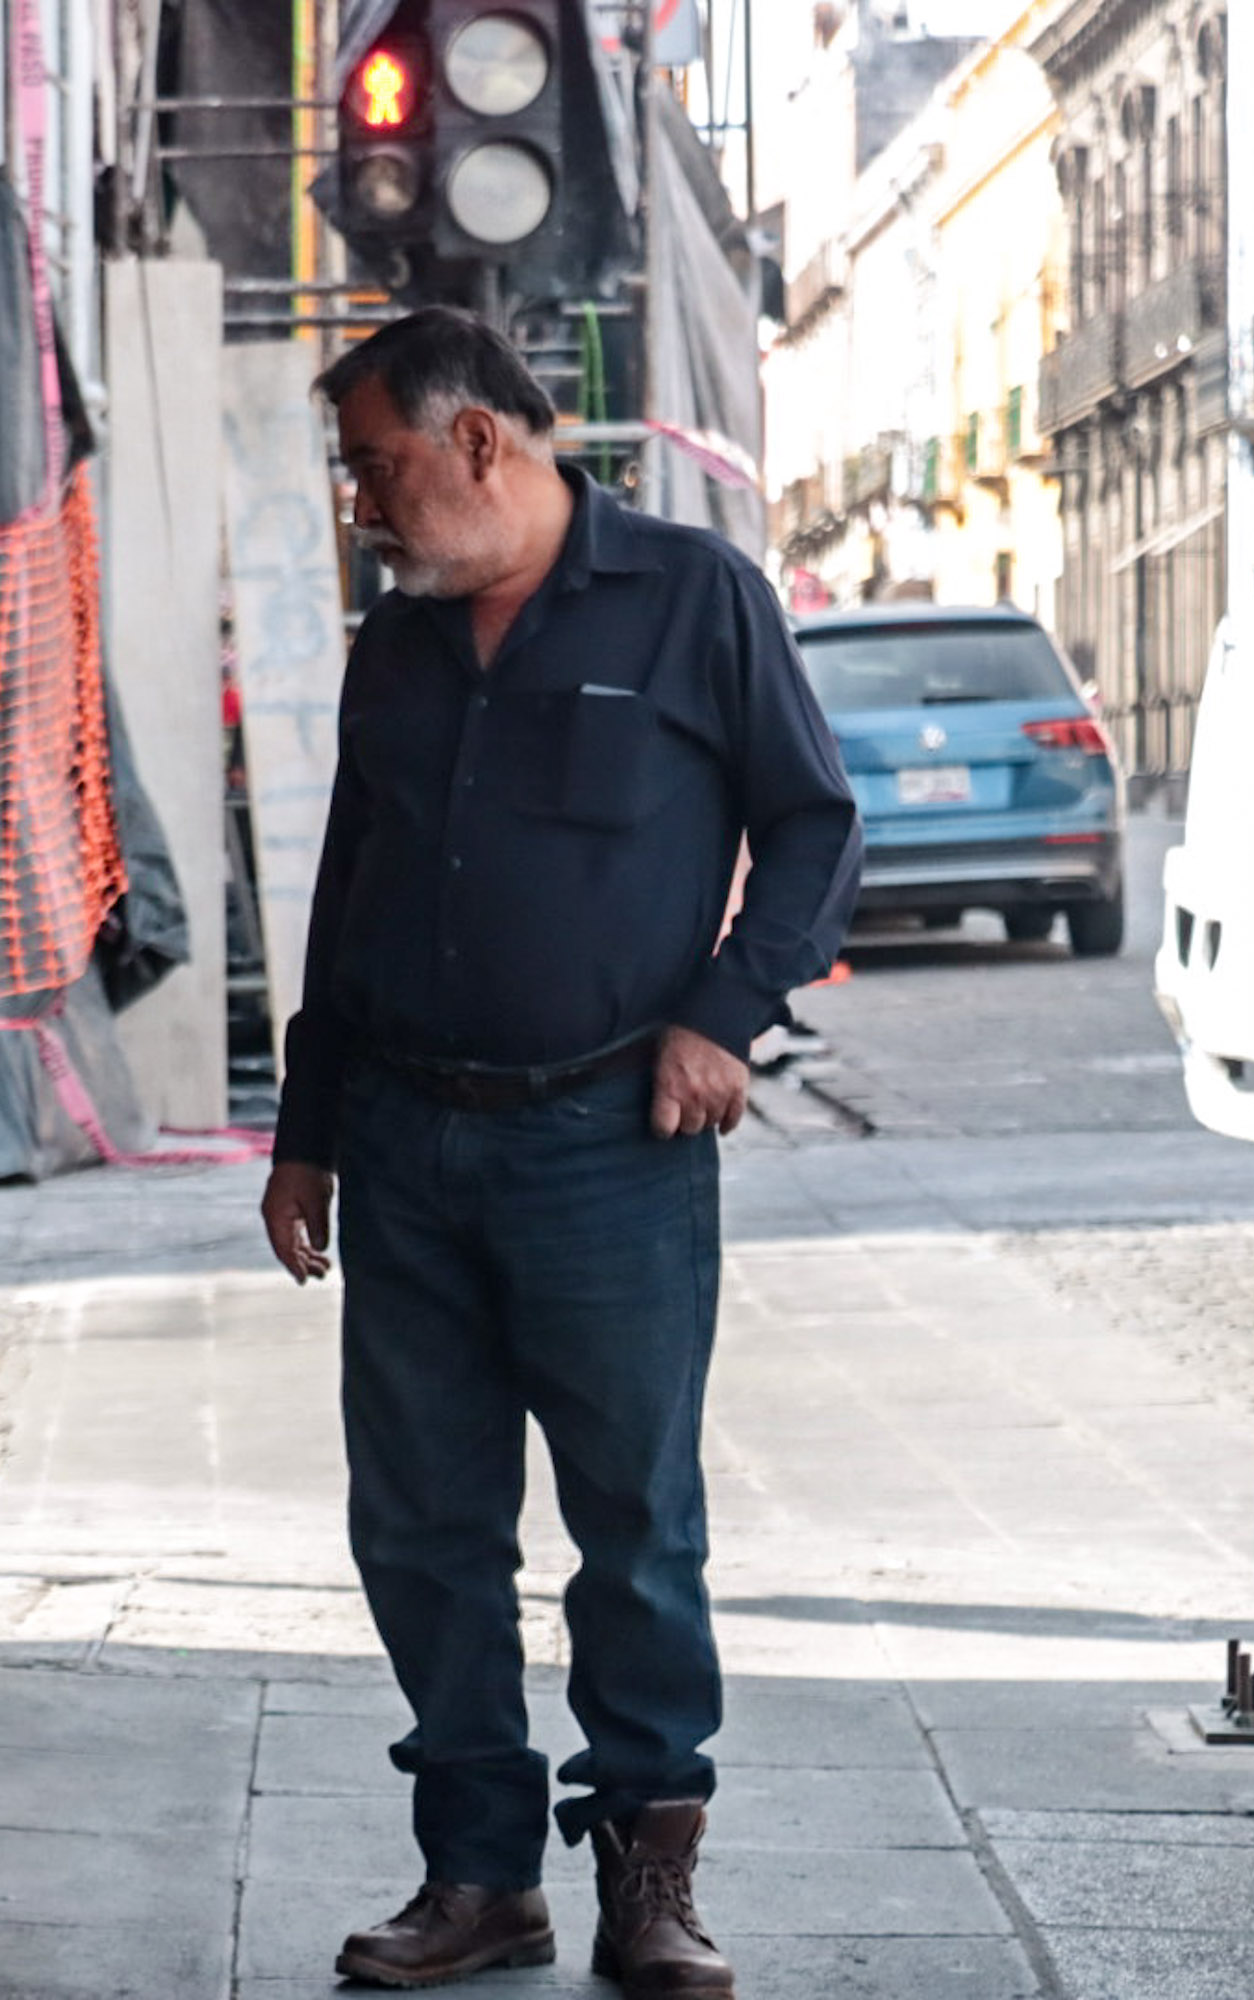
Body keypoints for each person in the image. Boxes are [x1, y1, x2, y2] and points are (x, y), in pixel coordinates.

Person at [258, 309, 860, 1995]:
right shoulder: (401, 643)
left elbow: (813, 824)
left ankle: (648, 1879)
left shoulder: (692, 596)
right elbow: (347, 902)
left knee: (634, 1526)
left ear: (476, 444)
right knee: (424, 1528)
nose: (360, 502)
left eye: (375, 465)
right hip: (404, 1148)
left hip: (612, 1144)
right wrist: (307, 1135)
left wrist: (726, 1013)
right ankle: (476, 1878)